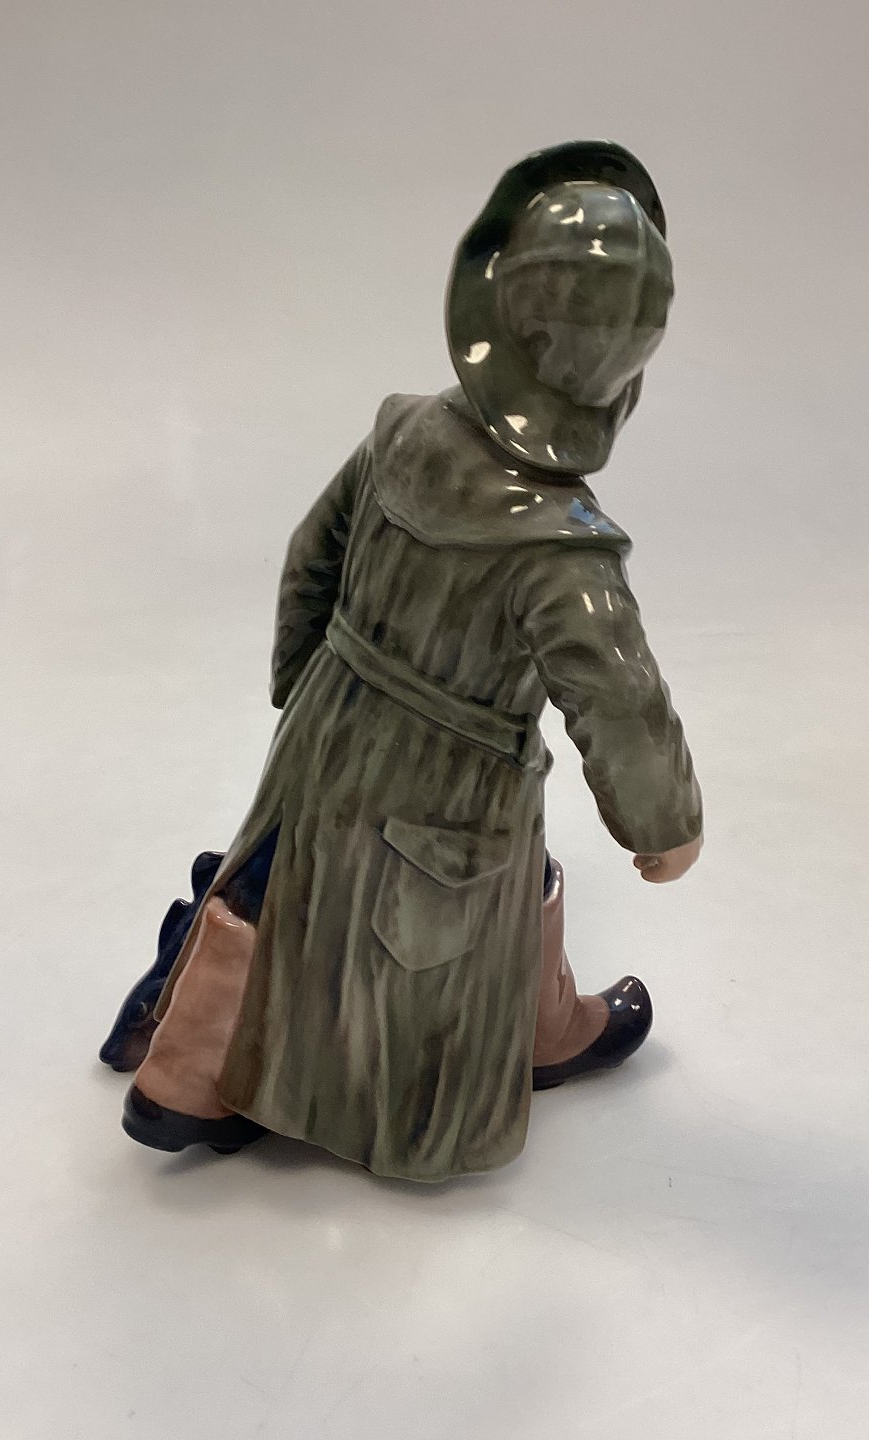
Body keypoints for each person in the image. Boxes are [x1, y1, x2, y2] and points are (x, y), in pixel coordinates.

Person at [106, 140, 703, 1183]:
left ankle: (202, 1063)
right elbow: (620, 696)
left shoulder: (401, 432)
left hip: (329, 727)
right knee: (429, 927)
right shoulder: (565, 552)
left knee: (291, 879)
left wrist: (304, 681)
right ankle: (206, 1071)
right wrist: (665, 823)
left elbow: (311, 555)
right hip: (454, 785)